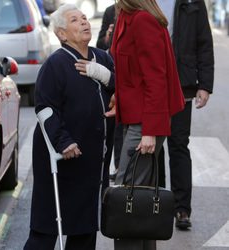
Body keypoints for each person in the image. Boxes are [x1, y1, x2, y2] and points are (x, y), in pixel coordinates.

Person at [23, 4, 115, 250]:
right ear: (61, 34)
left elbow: (121, 89)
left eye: (84, 18)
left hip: (93, 159)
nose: (84, 22)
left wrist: (106, 76)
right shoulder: (56, 64)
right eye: (75, 20)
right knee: (47, 229)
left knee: (85, 229)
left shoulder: (103, 58)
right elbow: (45, 108)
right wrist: (64, 141)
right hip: (62, 157)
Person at [109, 0, 185, 248]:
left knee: (126, 195)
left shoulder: (142, 19)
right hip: (139, 116)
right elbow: (132, 71)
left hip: (146, 120)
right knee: (139, 196)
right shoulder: (127, 15)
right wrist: (118, 98)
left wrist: (150, 131)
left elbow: (155, 78)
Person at [157, 0, 214, 230]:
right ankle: (156, 202)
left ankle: (181, 209)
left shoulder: (193, 1)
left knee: (179, 144)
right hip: (152, 83)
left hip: (182, 84)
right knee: (153, 145)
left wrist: (205, 85)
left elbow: (204, 42)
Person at [96, 3, 123, 180]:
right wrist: (107, 37)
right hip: (114, 72)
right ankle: (120, 167)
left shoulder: (140, 13)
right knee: (117, 128)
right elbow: (99, 45)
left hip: (125, 77)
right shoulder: (110, 11)